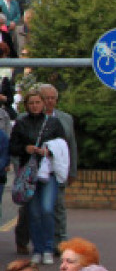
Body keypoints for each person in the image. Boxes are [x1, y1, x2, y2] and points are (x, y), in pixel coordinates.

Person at [10, 88, 66, 264]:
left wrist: (48, 151)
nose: (35, 106)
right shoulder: (21, 123)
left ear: (43, 104)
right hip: (29, 174)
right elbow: (13, 147)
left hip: (48, 173)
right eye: (31, 103)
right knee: (33, 213)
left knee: (47, 210)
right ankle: (38, 248)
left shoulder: (53, 123)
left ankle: (48, 248)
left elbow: (63, 146)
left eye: (37, 102)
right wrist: (25, 149)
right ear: (26, 105)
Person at [39, 84, 77, 244]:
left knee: (59, 206)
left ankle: (60, 241)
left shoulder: (66, 118)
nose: (49, 101)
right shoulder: (29, 117)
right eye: (46, 98)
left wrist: (72, 171)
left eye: (52, 98)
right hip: (36, 169)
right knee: (32, 210)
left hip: (58, 169)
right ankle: (25, 238)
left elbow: (71, 145)